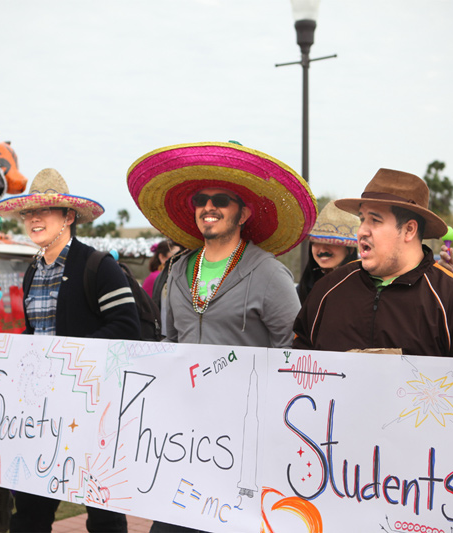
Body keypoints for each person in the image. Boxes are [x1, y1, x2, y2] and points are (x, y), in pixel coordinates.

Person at [127, 141, 317, 532]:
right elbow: (170, 343)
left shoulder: (269, 274)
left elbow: (294, 353)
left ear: (243, 212)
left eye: (222, 200)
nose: (208, 207)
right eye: (201, 199)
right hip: (185, 438)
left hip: (246, 438)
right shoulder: (177, 271)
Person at [0, 168, 141, 533]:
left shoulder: (98, 265)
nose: (33, 219)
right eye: (28, 213)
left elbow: (127, 327)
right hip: (40, 412)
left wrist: (65, 358)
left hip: (90, 409)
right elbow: (34, 332)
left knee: (103, 514)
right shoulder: (33, 271)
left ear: (69, 217)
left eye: (45, 211)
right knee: (28, 514)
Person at [293, 168, 453, 420]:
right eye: (362, 219)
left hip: (422, 455)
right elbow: (297, 357)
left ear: (408, 230)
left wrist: (418, 399)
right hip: (331, 453)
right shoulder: (328, 290)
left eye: (375, 220)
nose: (362, 230)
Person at [297, 202, 360, 303]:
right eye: (315, 243)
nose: (322, 250)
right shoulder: (305, 287)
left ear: (350, 249)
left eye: (330, 243)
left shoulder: (363, 288)